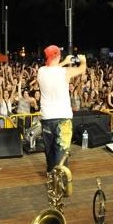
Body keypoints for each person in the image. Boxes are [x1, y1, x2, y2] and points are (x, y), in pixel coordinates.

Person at [37, 45, 86, 173]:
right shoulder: (65, 72)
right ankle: (60, 180)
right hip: (63, 118)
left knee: (50, 150)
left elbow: (53, 68)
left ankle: (51, 174)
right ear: (58, 56)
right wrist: (83, 60)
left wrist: (64, 62)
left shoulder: (41, 71)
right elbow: (82, 68)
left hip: (47, 118)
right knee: (61, 152)